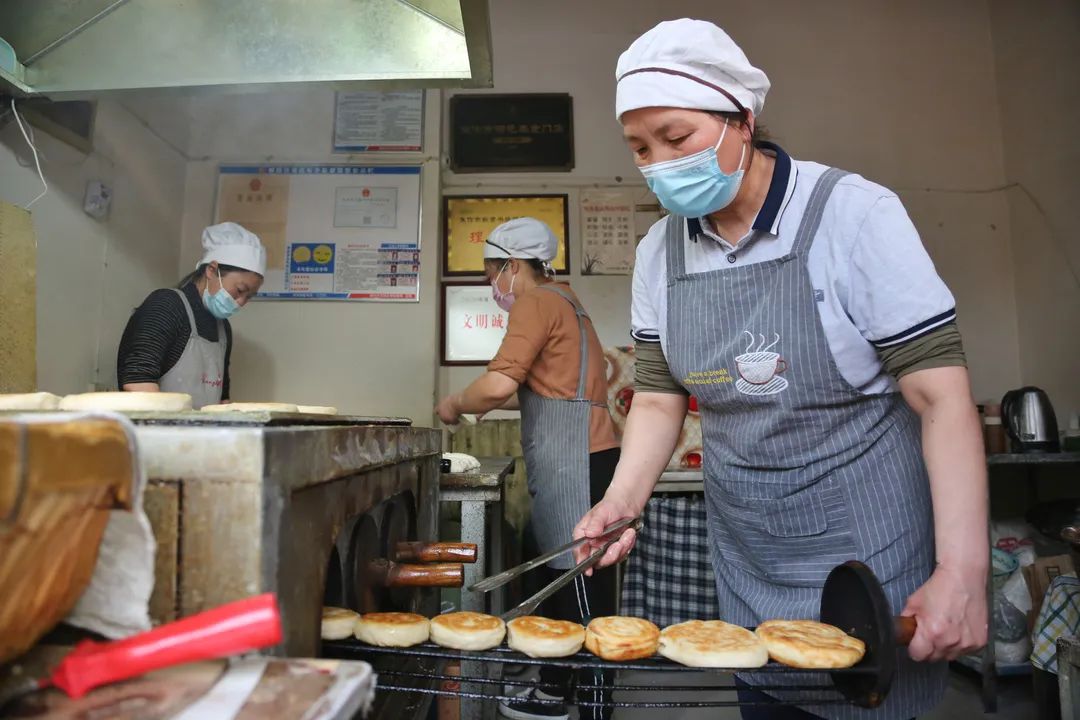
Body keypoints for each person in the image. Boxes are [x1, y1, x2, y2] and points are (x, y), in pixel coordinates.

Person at [572, 19, 988, 720]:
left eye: (677, 139)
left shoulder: (853, 216)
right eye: (640, 148)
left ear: (744, 117)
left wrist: (964, 571)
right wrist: (622, 501)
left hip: (869, 554)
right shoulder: (658, 254)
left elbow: (942, 399)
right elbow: (656, 398)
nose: (659, 164)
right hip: (750, 559)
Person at [435, 217, 619, 720]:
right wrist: (493, 401)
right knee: (574, 576)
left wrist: (454, 404)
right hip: (589, 457)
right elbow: (552, 393)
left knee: (576, 581)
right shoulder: (568, 301)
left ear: (513, 267)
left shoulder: (536, 302)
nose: (488, 282)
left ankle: (588, 704)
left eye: (491, 270)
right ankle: (560, 690)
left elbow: (497, 385)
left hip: (574, 464)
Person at [117, 222, 265, 409]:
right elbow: (136, 381)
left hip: (201, 436)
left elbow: (222, 400)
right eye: (240, 290)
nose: (241, 302)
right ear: (211, 270)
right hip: (157, 434)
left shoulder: (222, 328)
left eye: (249, 296)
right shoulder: (166, 306)